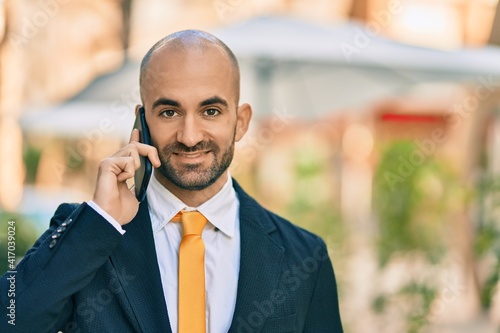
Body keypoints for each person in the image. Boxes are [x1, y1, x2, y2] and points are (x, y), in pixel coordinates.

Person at [1, 30, 343, 333]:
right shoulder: (89, 234)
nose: (190, 137)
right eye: (169, 112)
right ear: (141, 121)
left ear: (241, 122)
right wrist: (100, 222)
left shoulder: (304, 258)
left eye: (211, 111)